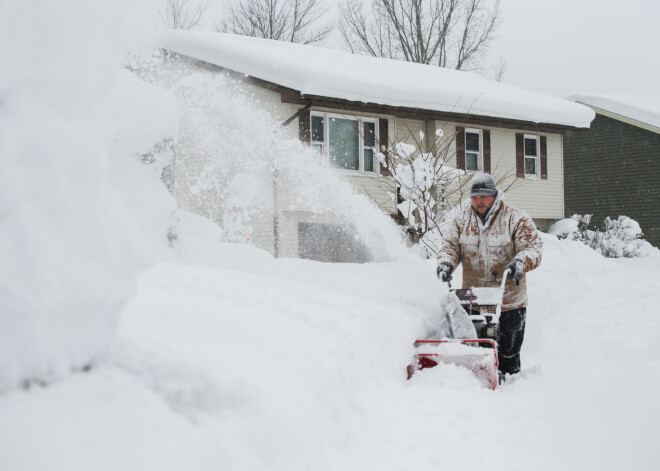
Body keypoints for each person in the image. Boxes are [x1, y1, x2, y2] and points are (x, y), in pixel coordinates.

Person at [436, 172, 543, 381]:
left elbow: (534, 247)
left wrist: (521, 261)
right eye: (474, 198)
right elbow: (449, 247)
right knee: (481, 356)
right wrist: (446, 263)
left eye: (483, 197)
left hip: (509, 304)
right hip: (476, 303)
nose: (479, 202)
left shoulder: (516, 218)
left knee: (508, 359)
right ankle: (483, 397)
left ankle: (510, 395)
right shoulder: (461, 221)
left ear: (494, 195)